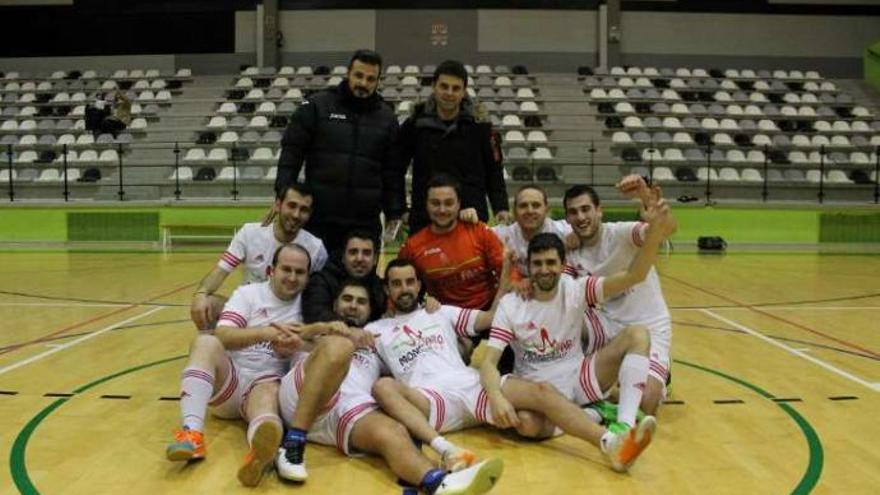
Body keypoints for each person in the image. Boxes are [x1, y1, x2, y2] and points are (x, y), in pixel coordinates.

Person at [368, 258, 656, 474]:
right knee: (383, 386)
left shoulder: (441, 311)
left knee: (536, 407)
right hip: (432, 400)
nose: (404, 289)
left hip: (470, 383)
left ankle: (610, 444)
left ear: (418, 285)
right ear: (386, 288)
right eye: (396, 283)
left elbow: (490, 318)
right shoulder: (375, 331)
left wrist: (506, 279)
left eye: (409, 282)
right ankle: (447, 450)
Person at [276, 279, 503, 494]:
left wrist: (441, 323)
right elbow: (283, 339)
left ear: (370, 310)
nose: (353, 306)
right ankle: (293, 444)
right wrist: (322, 327)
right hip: (302, 398)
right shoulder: (322, 330)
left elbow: (419, 360)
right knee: (340, 346)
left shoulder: (377, 339)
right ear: (335, 304)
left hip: (345, 410)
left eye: (361, 302)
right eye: (347, 299)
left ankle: (438, 482)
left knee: (394, 431)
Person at [481, 203, 675, 443]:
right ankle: (592, 413)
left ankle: (624, 427)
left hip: (580, 379)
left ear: (563, 266)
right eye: (538, 264)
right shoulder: (511, 304)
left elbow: (634, 276)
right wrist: (496, 397)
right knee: (526, 426)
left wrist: (655, 229)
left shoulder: (577, 289)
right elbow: (489, 363)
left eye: (551, 263)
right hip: (540, 388)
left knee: (638, 334)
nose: (544, 270)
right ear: (528, 267)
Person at [166, 244, 345, 487]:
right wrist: (267, 333)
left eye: (300, 272)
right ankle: (192, 433)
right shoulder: (249, 294)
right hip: (232, 378)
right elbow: (224, 334)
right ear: (272, 270)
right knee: (205, 342)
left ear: (308, 275)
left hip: (267, 382)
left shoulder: (310, 305)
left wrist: (297, 346)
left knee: (268, 411)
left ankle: (260, 455)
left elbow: (322, 353)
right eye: (286, 269)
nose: (292, 278)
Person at [563, 177, 678, 415]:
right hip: (605, 324)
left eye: (586, 209)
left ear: (599, 211)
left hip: (647, 326)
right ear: (567, 219)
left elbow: (665, 230)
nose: (581, 217)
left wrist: (652, 208)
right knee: (560, 314)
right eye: (573, 212)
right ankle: (576, 373)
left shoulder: (622, 233)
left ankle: (645, 374)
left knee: (646, 404)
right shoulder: (571, 250)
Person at [274, 49, 404, 254]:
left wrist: (394, 211)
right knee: (316, 282)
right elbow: (292, 154)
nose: (363, 83)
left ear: (378, 81)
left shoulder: (387, 118)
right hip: (319, 220)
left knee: (360, 285)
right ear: (348, 74)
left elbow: (392, 172)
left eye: (371, 79)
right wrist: (282, 196)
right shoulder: (317, 106)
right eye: (359, 76)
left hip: (364, 223)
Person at [190, 184, 327, 331]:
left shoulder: (316, 248)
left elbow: (317, 294)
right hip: (249, 310)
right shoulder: (249, 233)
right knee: (207, 304)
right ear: (277, 205)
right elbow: (221, 270)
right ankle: (214, 347)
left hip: (290, 317)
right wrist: (201, 293)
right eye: (291, 206)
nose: (296, 214)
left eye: (303, 210)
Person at [395, 60, 509, 234]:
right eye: (444, 86)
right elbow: (395, 168)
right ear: (434, 86)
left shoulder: (481, 126)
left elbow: (494, 170)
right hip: (425, 219)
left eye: (456, 88)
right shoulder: (415, 124)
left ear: (464, 91)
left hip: (471, 217)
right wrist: (398, 209)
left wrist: (501, 208)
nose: (449, 93)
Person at [398, 174, 503, 311]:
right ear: (426, 204)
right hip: (444, 320)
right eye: (435, 203)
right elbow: (397, 284)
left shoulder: (479, 231)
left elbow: (508, 271)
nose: (442, 210)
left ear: (459, 204)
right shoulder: (413, 247)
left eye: (448, 203)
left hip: (487, 313)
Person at [302, 229, 386, 324]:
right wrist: (351, 331)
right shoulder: (321, 281)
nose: (359, 258)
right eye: (353, 252)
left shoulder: (379, 287)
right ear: (343, 257)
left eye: (366, 253)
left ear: (375, 259)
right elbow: (315, 314)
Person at [491, 185, 573, 278]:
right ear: (514, 211)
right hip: (516, 288)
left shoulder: (564, 231)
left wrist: (579, 234)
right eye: (523, 206)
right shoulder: (501, 234)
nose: (530, 211)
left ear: (547, 210)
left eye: (536, 205)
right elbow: (476, 233)